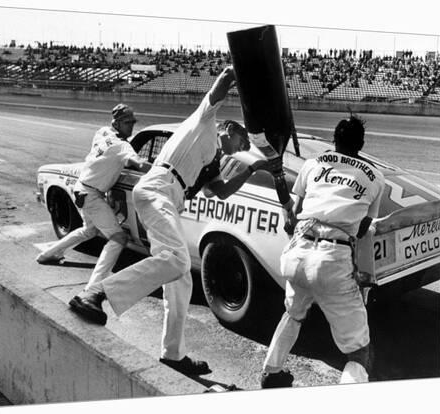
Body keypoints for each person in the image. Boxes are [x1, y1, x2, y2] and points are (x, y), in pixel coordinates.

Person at [68, 66, 274, 376]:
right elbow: (225, 77)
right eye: (242, 142)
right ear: (229, 130)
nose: (243, 149)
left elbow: (221, 192)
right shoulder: (205, 121)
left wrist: (250, 170)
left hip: (168, 199)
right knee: (178, 260)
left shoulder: (214, 162)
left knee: (181, 280)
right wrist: (244, 77)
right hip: (158, 187)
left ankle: (173, 354)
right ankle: (97, 294)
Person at [261, 114, 385, 388]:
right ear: (361, 144)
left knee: (293, 314)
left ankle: (271, 372)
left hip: (297, 253)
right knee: (359, 350)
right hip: (332, 259)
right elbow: (362, 228)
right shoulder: (376, 177)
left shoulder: (312, 164)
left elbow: (294, 211)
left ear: (334, 140)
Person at [36, 104, 147, 292]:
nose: (131, 127)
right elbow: (138, 164)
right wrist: (164, 169)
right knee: (119, 238)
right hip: (91, 195)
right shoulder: (122, 146)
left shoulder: (102, 132)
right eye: (127, 123)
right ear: (117, 123)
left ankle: (47, 255)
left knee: (89, 231)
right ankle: (93, 287)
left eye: (133, 122)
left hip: (81, 189)